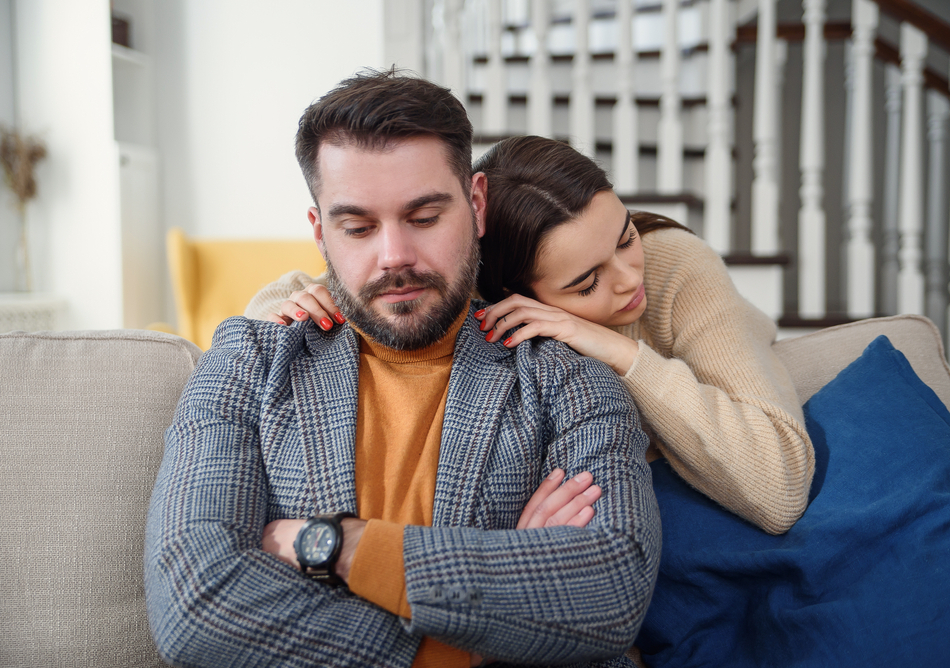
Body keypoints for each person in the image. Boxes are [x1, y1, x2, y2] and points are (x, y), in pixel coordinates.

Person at [144, 72, 659, 668]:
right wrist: (493, 617)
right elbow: (195, 606)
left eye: (423, 217)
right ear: (321, 233)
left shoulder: (568, 378)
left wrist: (335, 547)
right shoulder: (247, 363)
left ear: (476, 204)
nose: (394, 257)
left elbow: (609, 592)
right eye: (358, 228)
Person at [248, 135, 815, 537]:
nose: (628, 280)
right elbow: (300, 294)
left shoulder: (671, 266)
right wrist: (289, 302)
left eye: (623, 237)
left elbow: (780, 486)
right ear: (514, 298)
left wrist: (619, 350)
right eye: (587, 281)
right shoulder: (483, 309)